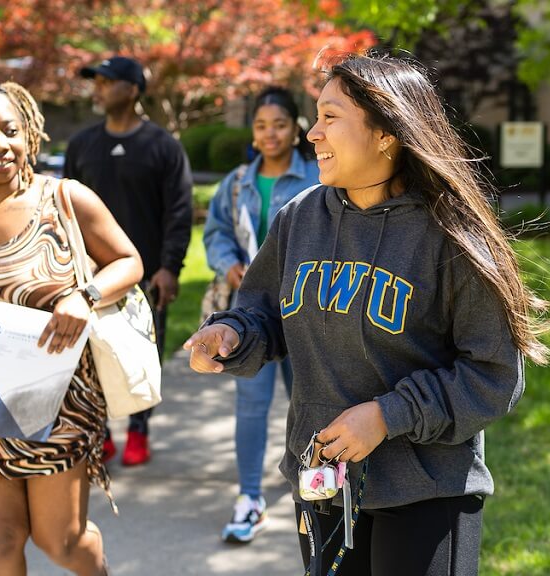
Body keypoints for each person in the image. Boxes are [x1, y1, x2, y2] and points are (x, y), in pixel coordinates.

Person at [184, 52, 550, 575]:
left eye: (330, 118)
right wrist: (230, 335)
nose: (312, 134)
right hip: (323, 485)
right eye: (316, 117)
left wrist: (386, 416)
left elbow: (492, 375)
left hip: (425, 490)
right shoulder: (300, 218)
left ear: (387, 133)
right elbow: (262, 313)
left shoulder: (451, 235)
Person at [0, 81, 143, 575]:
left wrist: (85, 296)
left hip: (56, 389)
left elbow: (128, 261)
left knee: (63, 542)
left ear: (29, 134)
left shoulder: (65, 199)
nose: (0, 143)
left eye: (10, 130)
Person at [202, 86, 320, 543]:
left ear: (296, 130)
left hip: (306, 314)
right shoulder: (237, 183)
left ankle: (316, 489)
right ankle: (250, 498)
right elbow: (216, 232)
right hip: (251, 316)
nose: (269, 134)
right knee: (250, 407)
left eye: (280, 125)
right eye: (260, 125)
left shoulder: (318, 176)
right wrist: (227, 263)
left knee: (309, 403)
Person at [64, 55, 193, 466]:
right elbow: (62, 208)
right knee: (90, 352)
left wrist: (170, 267)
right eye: (95, 82)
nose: (98, 89)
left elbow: (179, 210)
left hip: (146, 274)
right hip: (87, 276)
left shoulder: (162, 146)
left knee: (140, 353)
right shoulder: (82, 145)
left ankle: (139, 431)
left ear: (133, 89)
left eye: (107, 81)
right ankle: (99, 432)